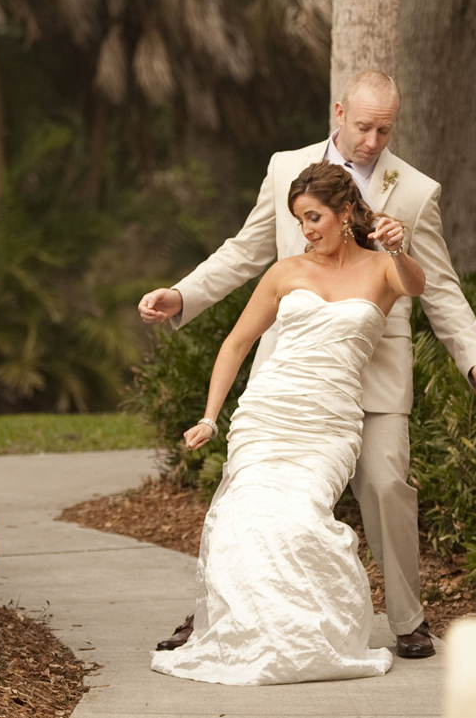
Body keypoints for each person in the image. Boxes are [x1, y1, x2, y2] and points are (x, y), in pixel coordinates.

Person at [139, 70, 476, 659]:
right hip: (292, 373)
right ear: (339, 112)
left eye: (385, 129)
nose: (373, 140)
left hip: (374, 378)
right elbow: (245, 250)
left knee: (386, 484)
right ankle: (218, 610)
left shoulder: (414, 190)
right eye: (363, 126)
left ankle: (407, 619)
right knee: (252, 488)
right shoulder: (288, 169)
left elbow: (439, 290)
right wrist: (182, 295)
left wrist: (475, 361)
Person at [151, 163, 425, 685]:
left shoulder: (382, 269)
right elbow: (235, 344)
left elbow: (417, 282)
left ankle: (309, 632)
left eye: (315, 217)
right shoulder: (286, 272)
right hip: (269, 411)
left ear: (346, 213)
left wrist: (398, 246)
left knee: (298, 519)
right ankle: (253, 632)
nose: (307, 231)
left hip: (329, 425)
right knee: (244, 517)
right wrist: (210, 417)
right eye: (300, 220)